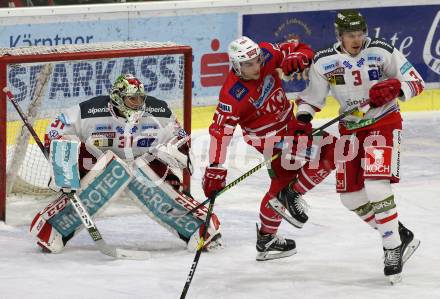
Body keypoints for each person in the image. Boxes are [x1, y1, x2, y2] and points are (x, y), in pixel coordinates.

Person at [295, 10, 422, 283]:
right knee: (350, 198)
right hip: (350, 130)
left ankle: (391, 248)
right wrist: (304, 119)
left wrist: (395, 90)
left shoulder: (382, 51)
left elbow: (415, 82)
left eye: (360, 34)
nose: (356, 39)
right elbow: (312, 98)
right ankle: (399, 233)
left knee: (376, 184)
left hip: (384, 122)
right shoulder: (324, 61)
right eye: (350, 35)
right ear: (339, 35)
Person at [30, 74, 222, 253]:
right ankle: (50, 227)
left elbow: (180, 139)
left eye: (141, 98)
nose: (138, 104)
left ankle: (200, 227)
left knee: (145, 172)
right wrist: (63, 166)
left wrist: (174, 151)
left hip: (143, 164)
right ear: (117, 98)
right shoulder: (89, 110)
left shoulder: (159, 111)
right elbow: (55, 132)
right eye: (133, 99)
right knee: (114, 171)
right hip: (98, 166)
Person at [202, 36, 338, 261]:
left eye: (257, 61)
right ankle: (290, 195)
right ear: (236, 66)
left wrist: (298, 57)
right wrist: (215, 169)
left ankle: (267, 239)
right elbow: (220, 132)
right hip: (269, 139)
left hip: (291, 124)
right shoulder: (231, 94)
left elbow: (302, 48)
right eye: (248, 64)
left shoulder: (266, 53)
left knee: (282, 182)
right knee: (333, 150)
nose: (256, 67)